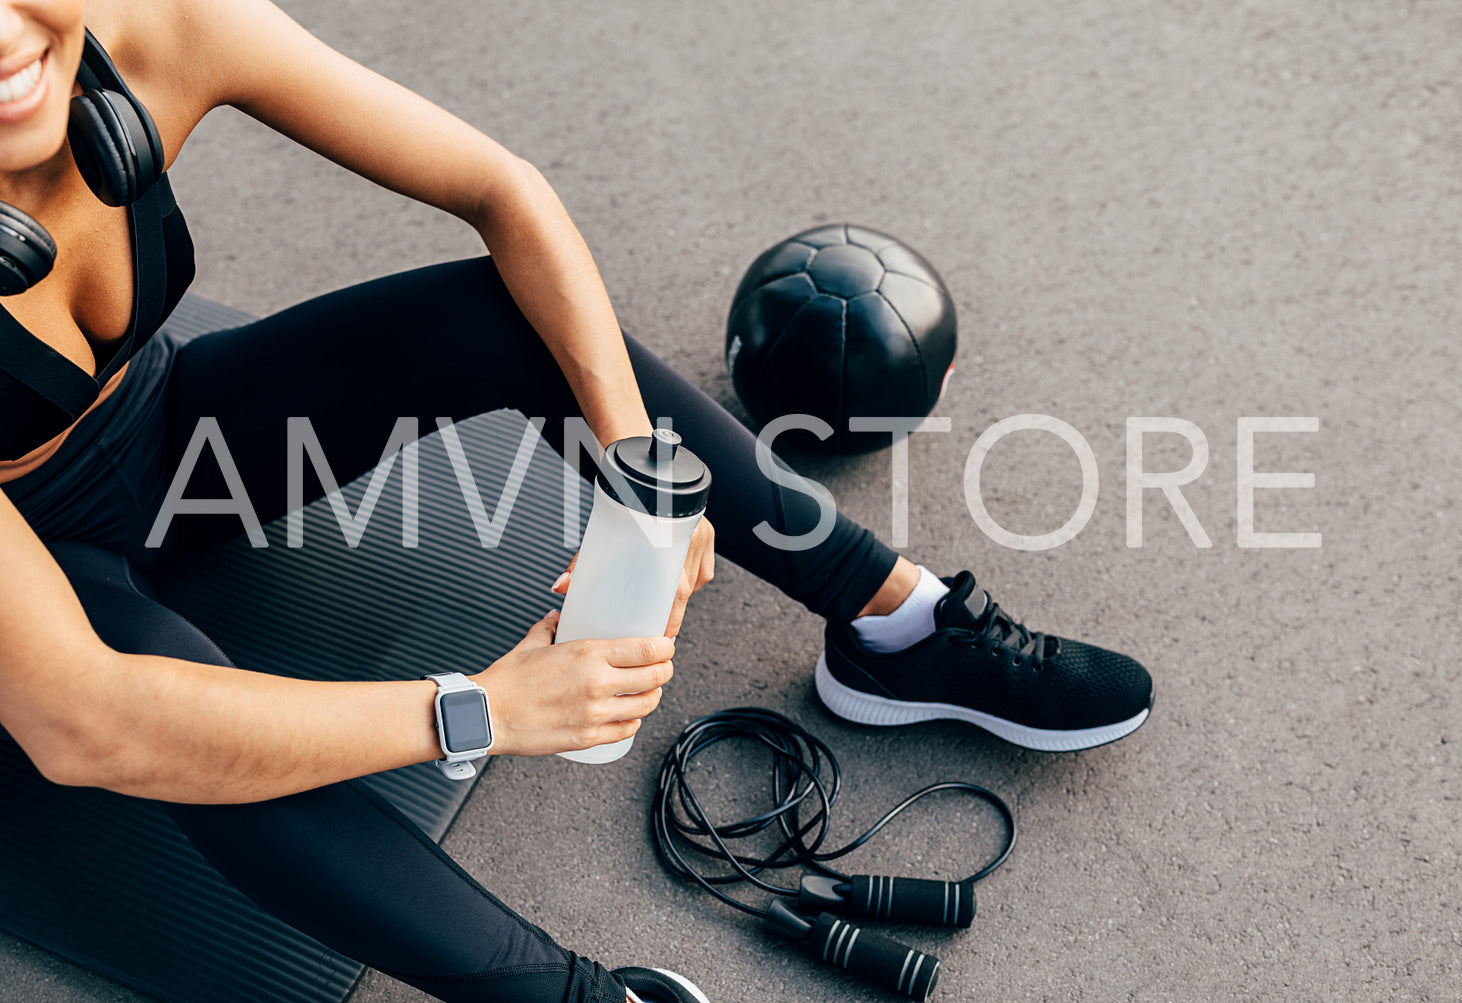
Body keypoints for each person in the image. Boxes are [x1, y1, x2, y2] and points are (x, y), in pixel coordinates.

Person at [0, 2, 1153, 1001]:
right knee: (185, 725)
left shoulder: (146, 25)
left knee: (500, 311)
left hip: (164, 430)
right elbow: (87, 719)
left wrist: (643, 477)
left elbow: (501, 191)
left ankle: (891, 623)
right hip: (36, 590)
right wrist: (481, 707)